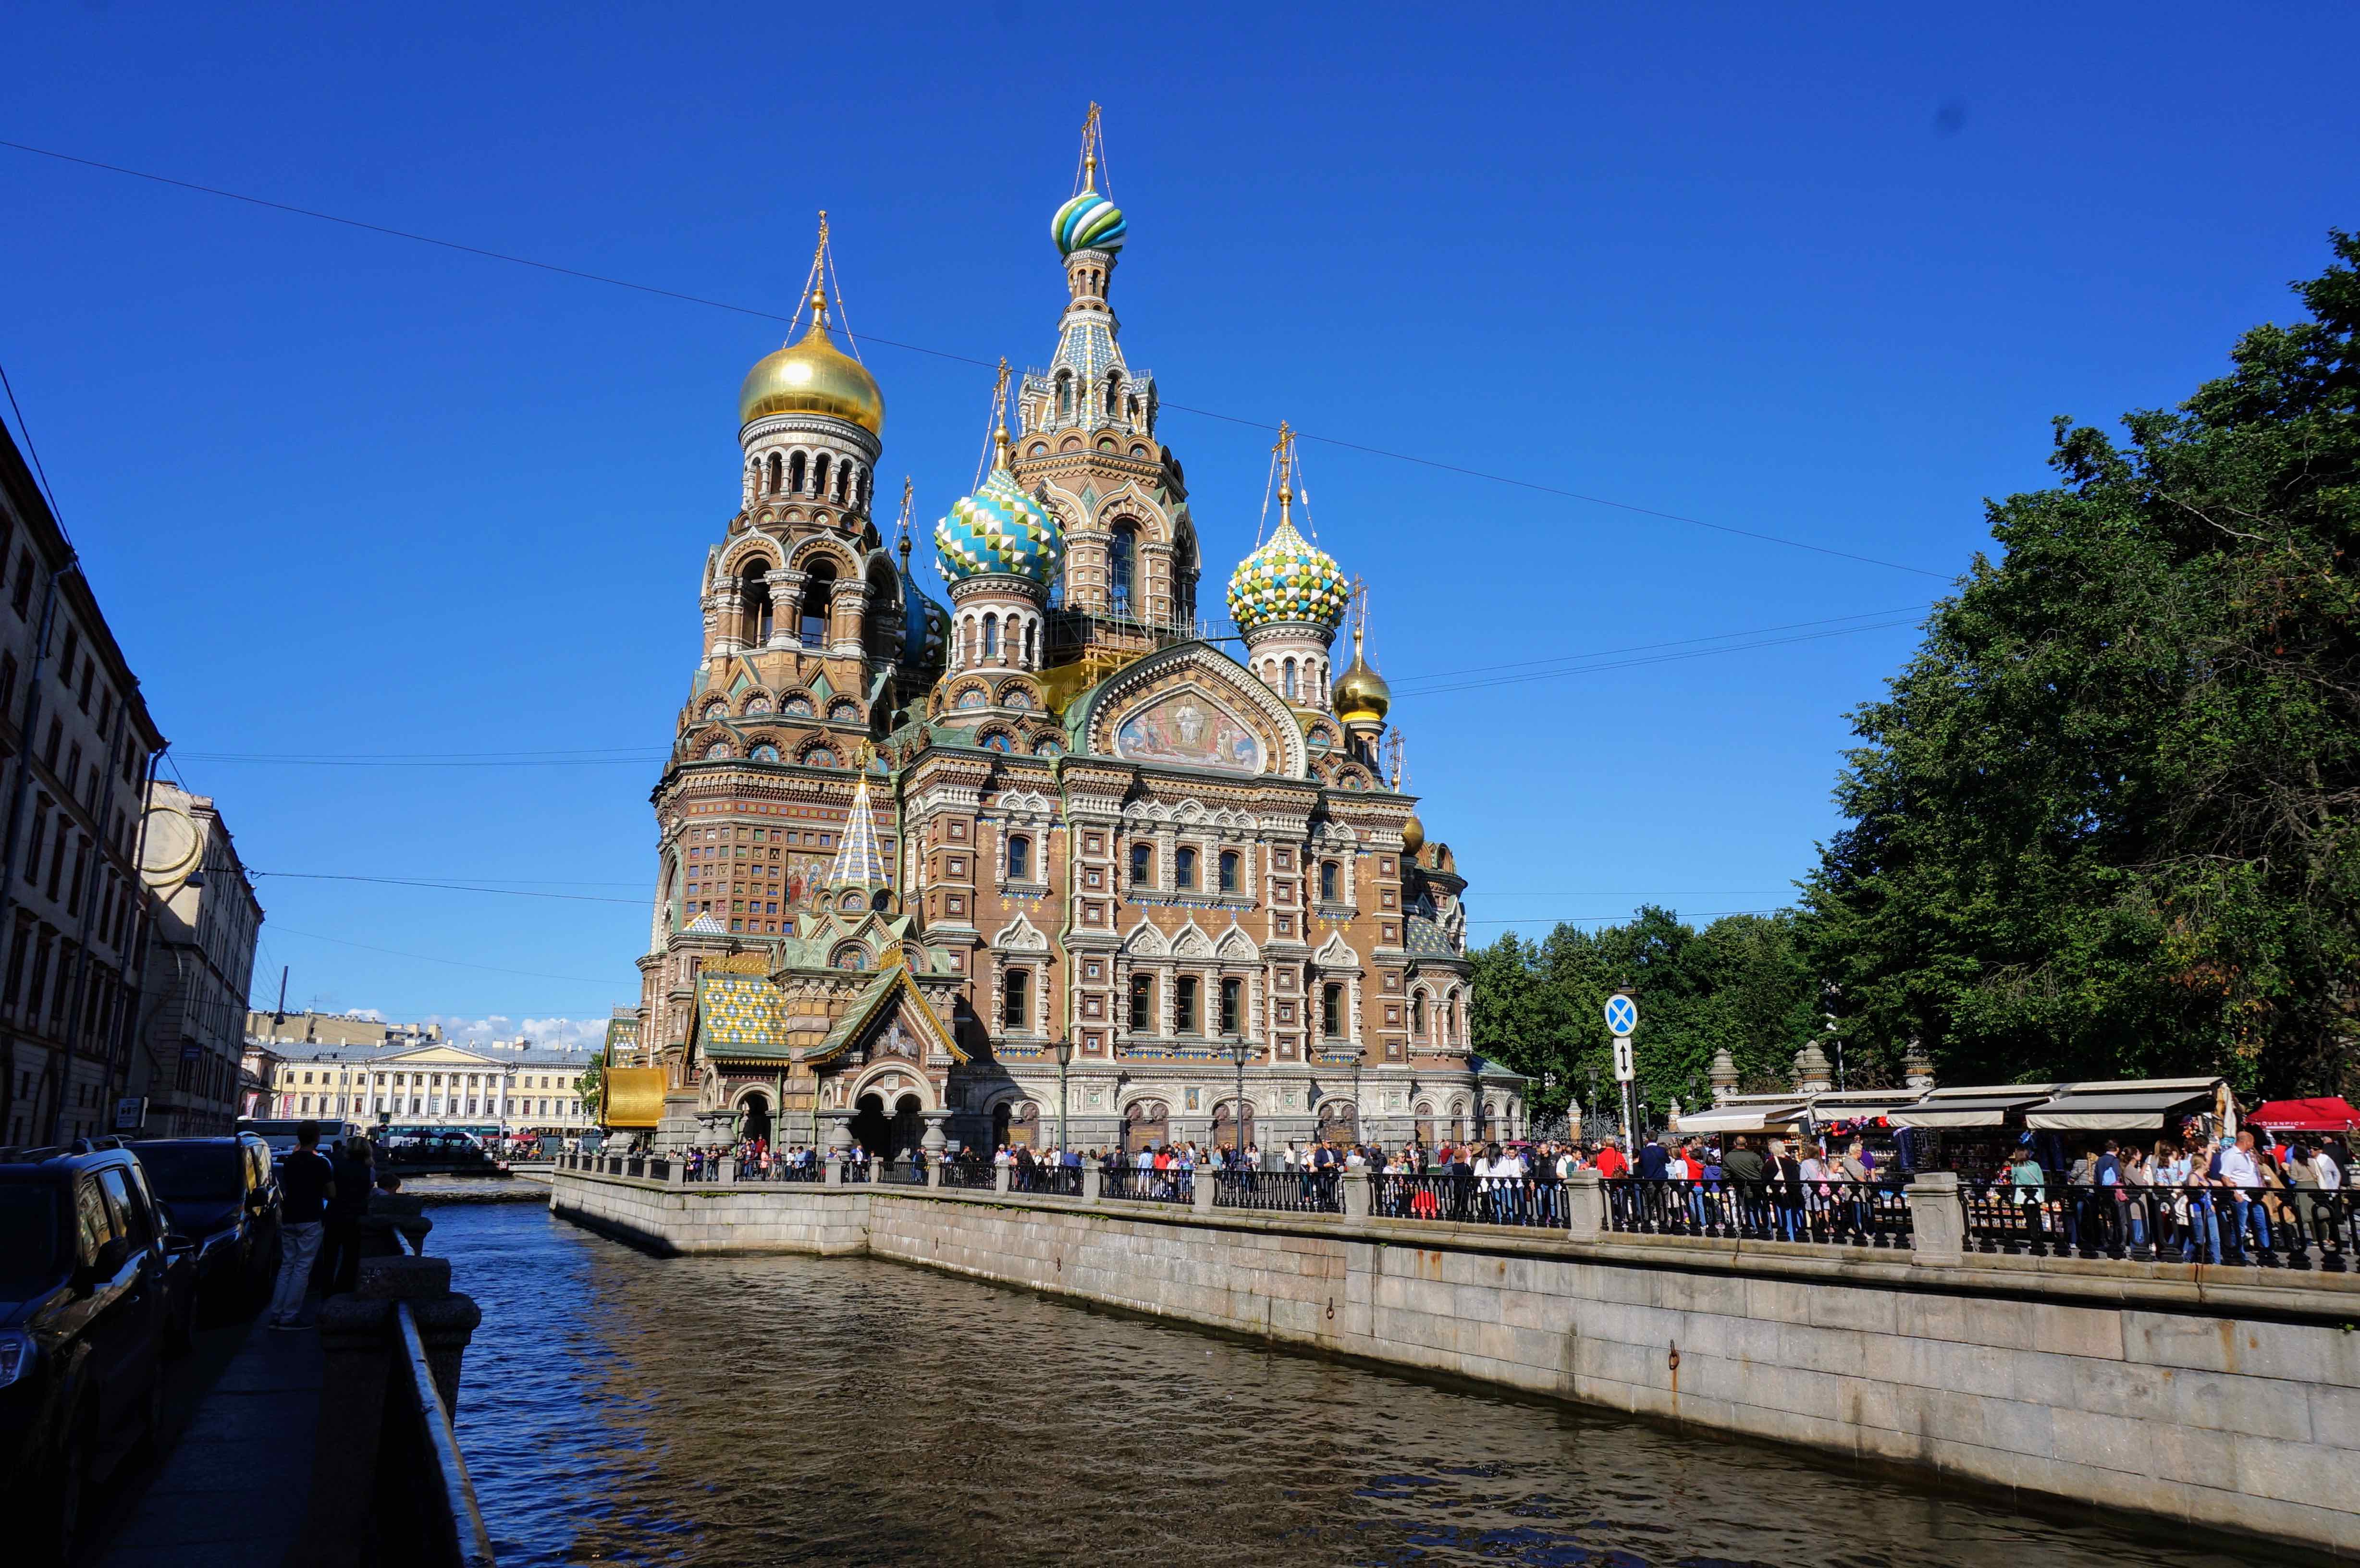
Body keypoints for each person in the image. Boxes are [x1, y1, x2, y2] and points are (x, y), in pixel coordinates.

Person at [268, 1121, 336, 1330]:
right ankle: (290, 1317)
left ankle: (276, 1314)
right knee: (302, 1268)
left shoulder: (290, 1161)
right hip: (311, 1218)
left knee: (287, 1266)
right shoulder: (321, 1164)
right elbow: (332, 1193)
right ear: (317, 1138)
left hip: (289, 1217)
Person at [320, 1135, 376, 1297]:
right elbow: (368, 1193)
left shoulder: (336, 1166)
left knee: (330, 1256)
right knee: (351, 1256)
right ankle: (343, 1289)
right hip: (356, 1216)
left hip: (335, 1214)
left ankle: (326, 1291)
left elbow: (329, 1191)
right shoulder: (370, 1170)